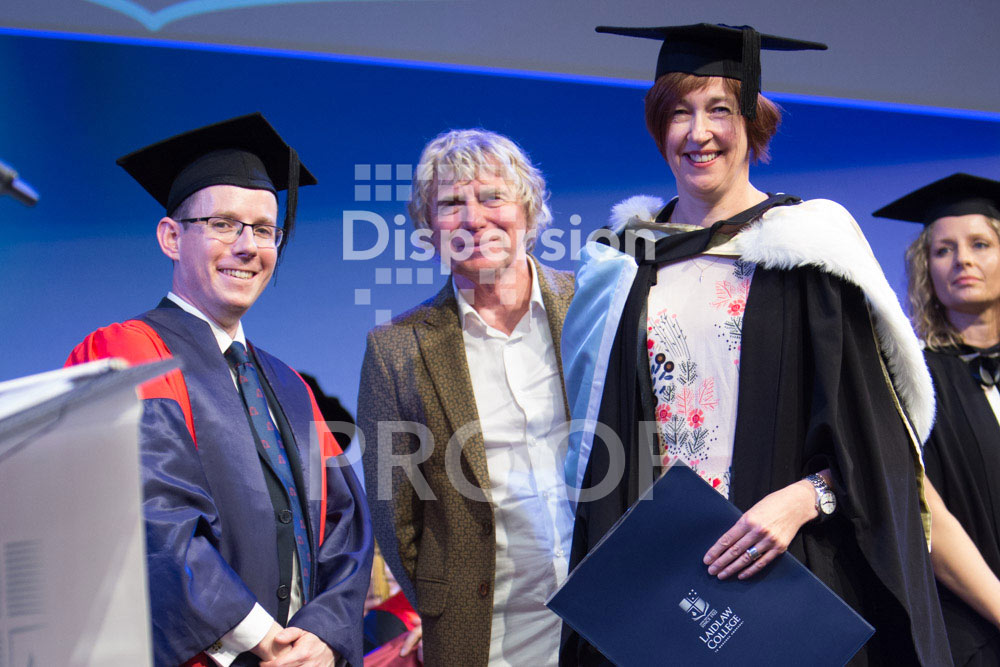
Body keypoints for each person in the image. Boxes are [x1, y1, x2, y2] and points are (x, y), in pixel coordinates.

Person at [561, 23, 952, 665]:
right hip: (664, 579)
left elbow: (874, 436)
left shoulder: (805, 252)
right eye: (679, 113)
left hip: (786, 562)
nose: (699, 133)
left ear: (753, 122)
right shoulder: (624, 264)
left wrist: (803, 500)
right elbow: (593, 446)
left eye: (719, 109)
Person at [66, 113, 373, 667]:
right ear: (171, 237)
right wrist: (260, 635)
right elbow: (149, 513)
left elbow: (345, 526)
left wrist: (323, 633)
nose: (248, 246)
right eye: (224, 224)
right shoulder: (126, 351)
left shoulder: (291, 386)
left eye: (264, 229)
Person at [358, 129, 575, 666]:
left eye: (492, 196)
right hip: (487, 636)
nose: (474, 219)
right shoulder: (396, 350)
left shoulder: (592, 304)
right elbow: (395, 515)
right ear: (430, 229)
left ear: (527, 209)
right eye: (451, 204)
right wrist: (445, 606)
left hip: (611, 614)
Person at [876, 173, 1000, 664]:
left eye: (980, 244)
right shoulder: (910, 378)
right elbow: (926, 515)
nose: (962, 259)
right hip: (971, 625)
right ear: (926, 268)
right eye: (943, 249)